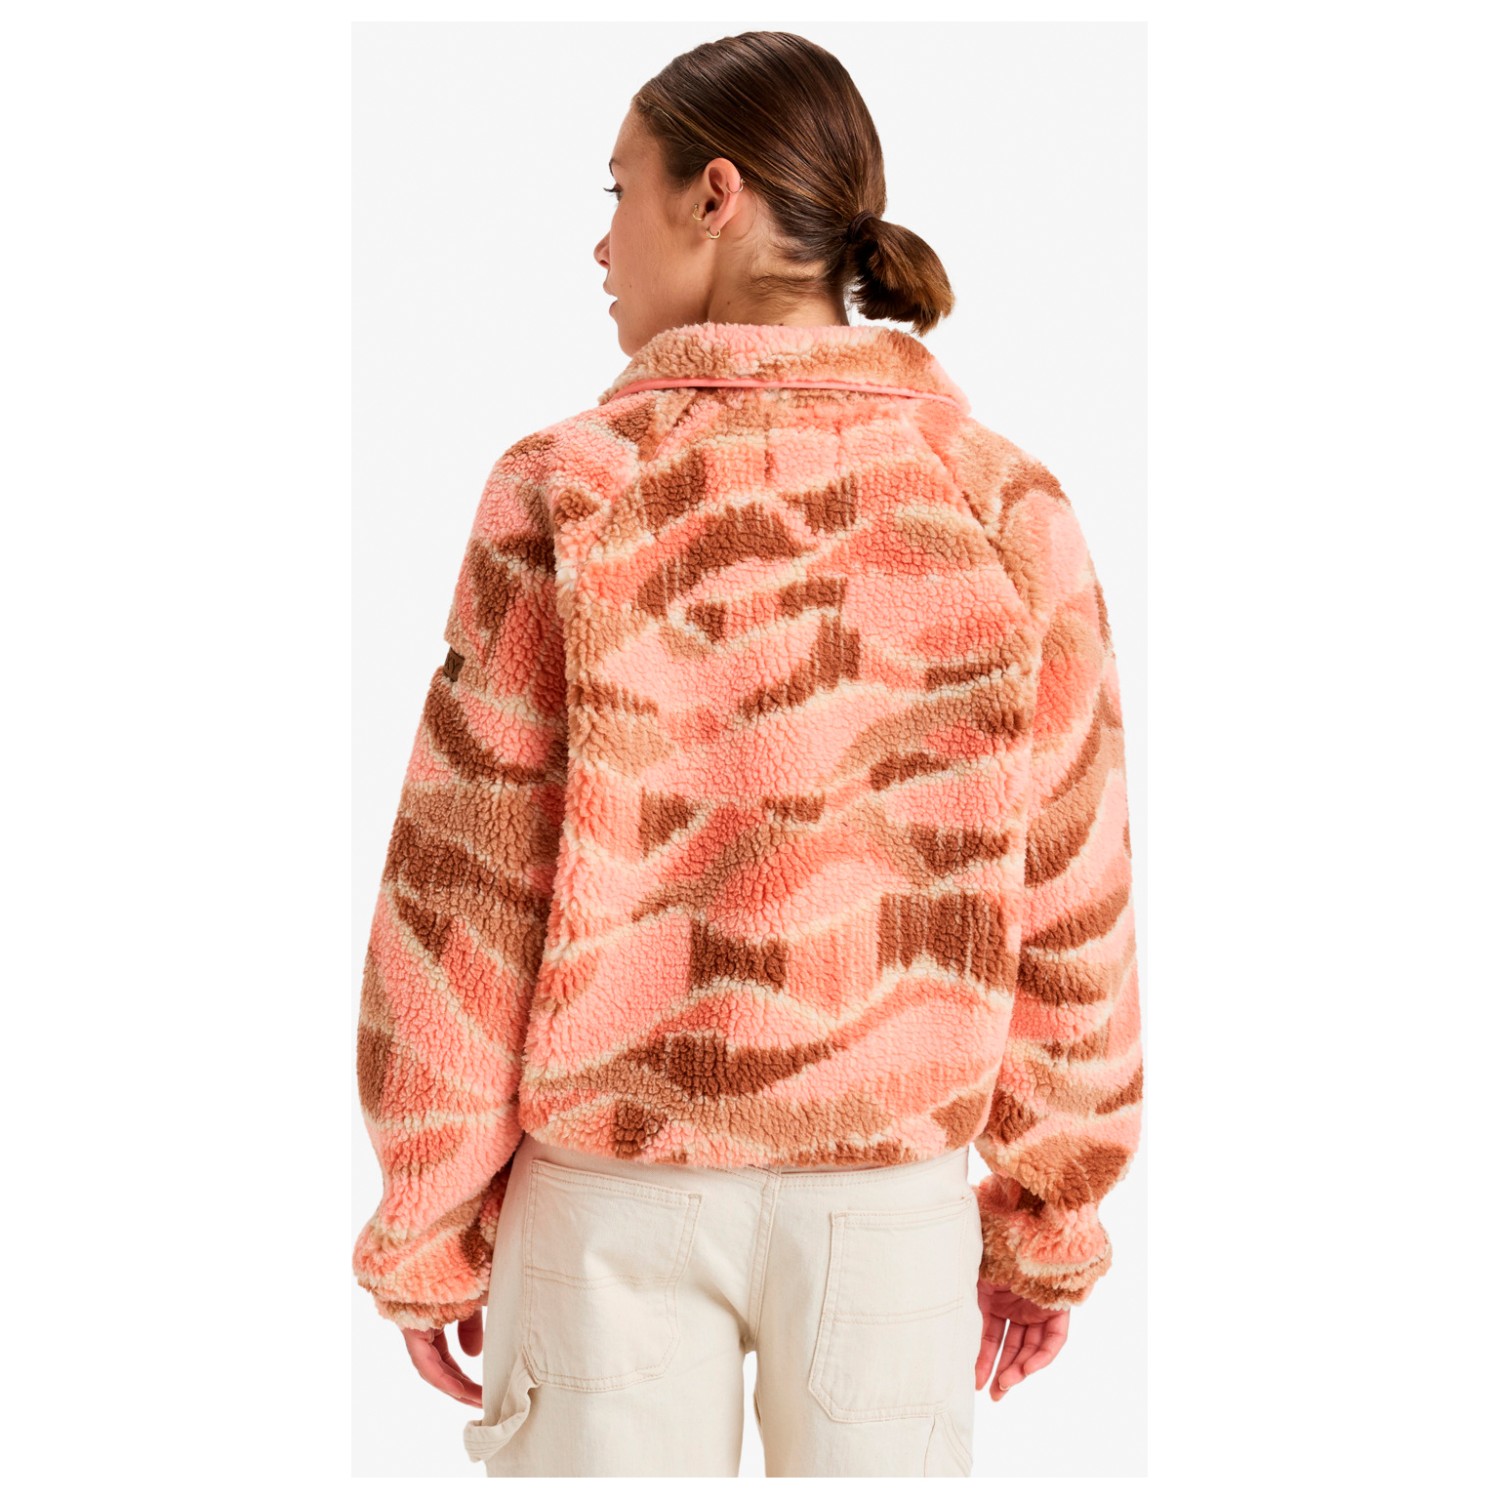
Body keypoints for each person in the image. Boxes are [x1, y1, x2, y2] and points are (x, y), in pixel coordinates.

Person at [352, 29, 1142, 1479]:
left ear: (713, 195)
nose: (601, 245)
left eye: (618, 190)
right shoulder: (999, 501)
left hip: (610, 1190)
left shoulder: (571, 487)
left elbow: (467, 879)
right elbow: (1072, 887)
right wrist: (1050, 1212)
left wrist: (428, 1216)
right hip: (891, 1199)